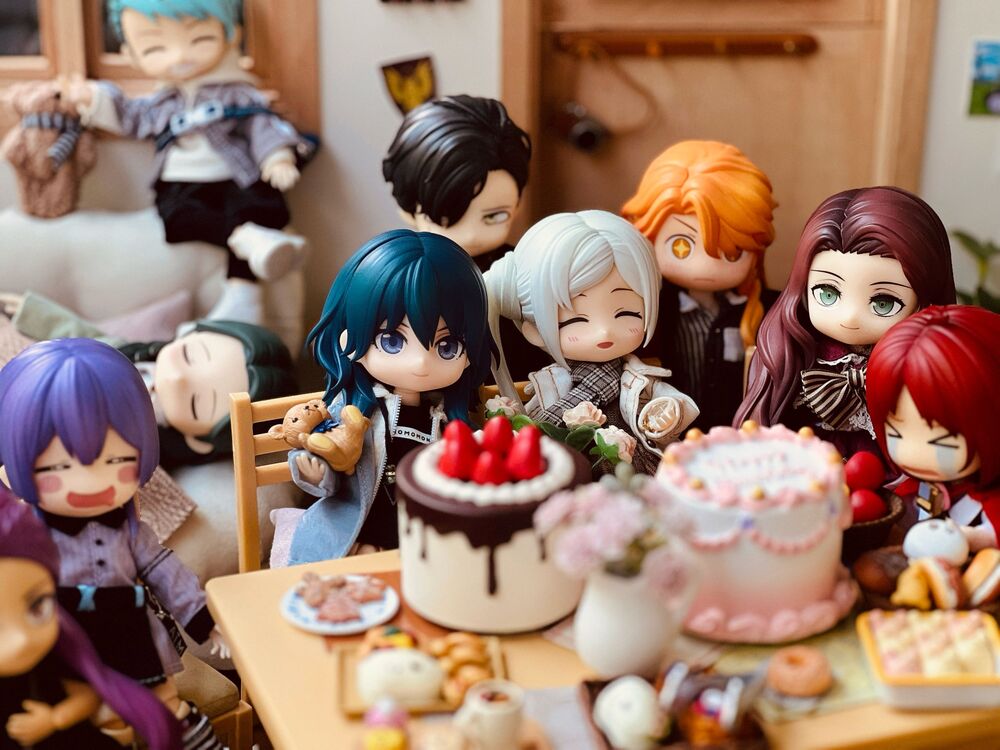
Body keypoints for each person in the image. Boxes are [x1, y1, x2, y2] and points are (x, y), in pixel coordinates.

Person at [0, 339, 228, 749]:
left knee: (167, 707)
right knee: (101, 723)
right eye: (58, 467)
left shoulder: (130, 529)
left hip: (129, 631)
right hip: (67, 641)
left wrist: (203, 619)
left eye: (118, 461)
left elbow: (163, 569)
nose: (89, 483)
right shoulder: (27, 535)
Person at [66, 0, 314, 324]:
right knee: (178, 219)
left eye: (200, 39)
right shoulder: (162, 103)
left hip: (235, 176)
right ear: (131, 55)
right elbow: (131, 118)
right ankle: (247, 239)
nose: (180, 56)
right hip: (179, 182)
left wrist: (277, 156)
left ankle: (243, 293)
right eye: (155, 48)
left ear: (231, 35)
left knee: (263, 206)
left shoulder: (236, 93)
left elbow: (262, 124)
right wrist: (93, 97)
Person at [286, 229, 496, 564]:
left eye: (447, 346)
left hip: (431, 539)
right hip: (363, 529)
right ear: (347, 340)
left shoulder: (446, 416)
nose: (421, 364)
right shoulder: (353, 413)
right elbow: (327, 460)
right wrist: (316, 472)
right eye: (393, 341)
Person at [734, 187, 956, 458]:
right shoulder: (795, 351)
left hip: (887, 461)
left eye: (883, 303)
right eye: (828, 293)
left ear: (924, 299)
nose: (850, 316)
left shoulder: (920, 364)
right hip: (810, 457)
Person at [484, 210, 699, 474]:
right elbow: (534, 429)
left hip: (636, 470)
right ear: (534, 331)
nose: (604, 331)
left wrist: (667, 414)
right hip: (568, 472)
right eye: (577, 320)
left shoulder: (640, 380)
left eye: (626, 313)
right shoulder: (550, 384)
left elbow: (675, 405)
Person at [9, 290, 296, 466]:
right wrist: (32, 312)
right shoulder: (121, 354)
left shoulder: (136, 442)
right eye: (190, 356)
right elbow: (78, 334)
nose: (177, 379)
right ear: (190, 332)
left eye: (196, 404)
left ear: (200, 442)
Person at [0, 487, 182, 750]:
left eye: (38, 606)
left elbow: (87, 696)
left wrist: (54, 719)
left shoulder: (54, 651)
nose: (21, 639)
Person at [382, 95, 547, 379]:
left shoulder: (525, 269)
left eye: (495, 216)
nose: (470, 235)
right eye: (446, 219)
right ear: (407, 208)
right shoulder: (398, 270)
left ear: (517, 204)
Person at [622, 140, 778, 429]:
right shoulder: (649, 309)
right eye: (681, 246)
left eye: (732, 252)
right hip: (666, 432)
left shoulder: (766, 311)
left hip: (736, 432)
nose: (705, 266)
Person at [867, 305, 1000, 549]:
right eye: (895, 435)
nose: (911, 454)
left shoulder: (991, 502)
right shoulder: (917, 487)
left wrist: (971, 540)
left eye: (942, 444)